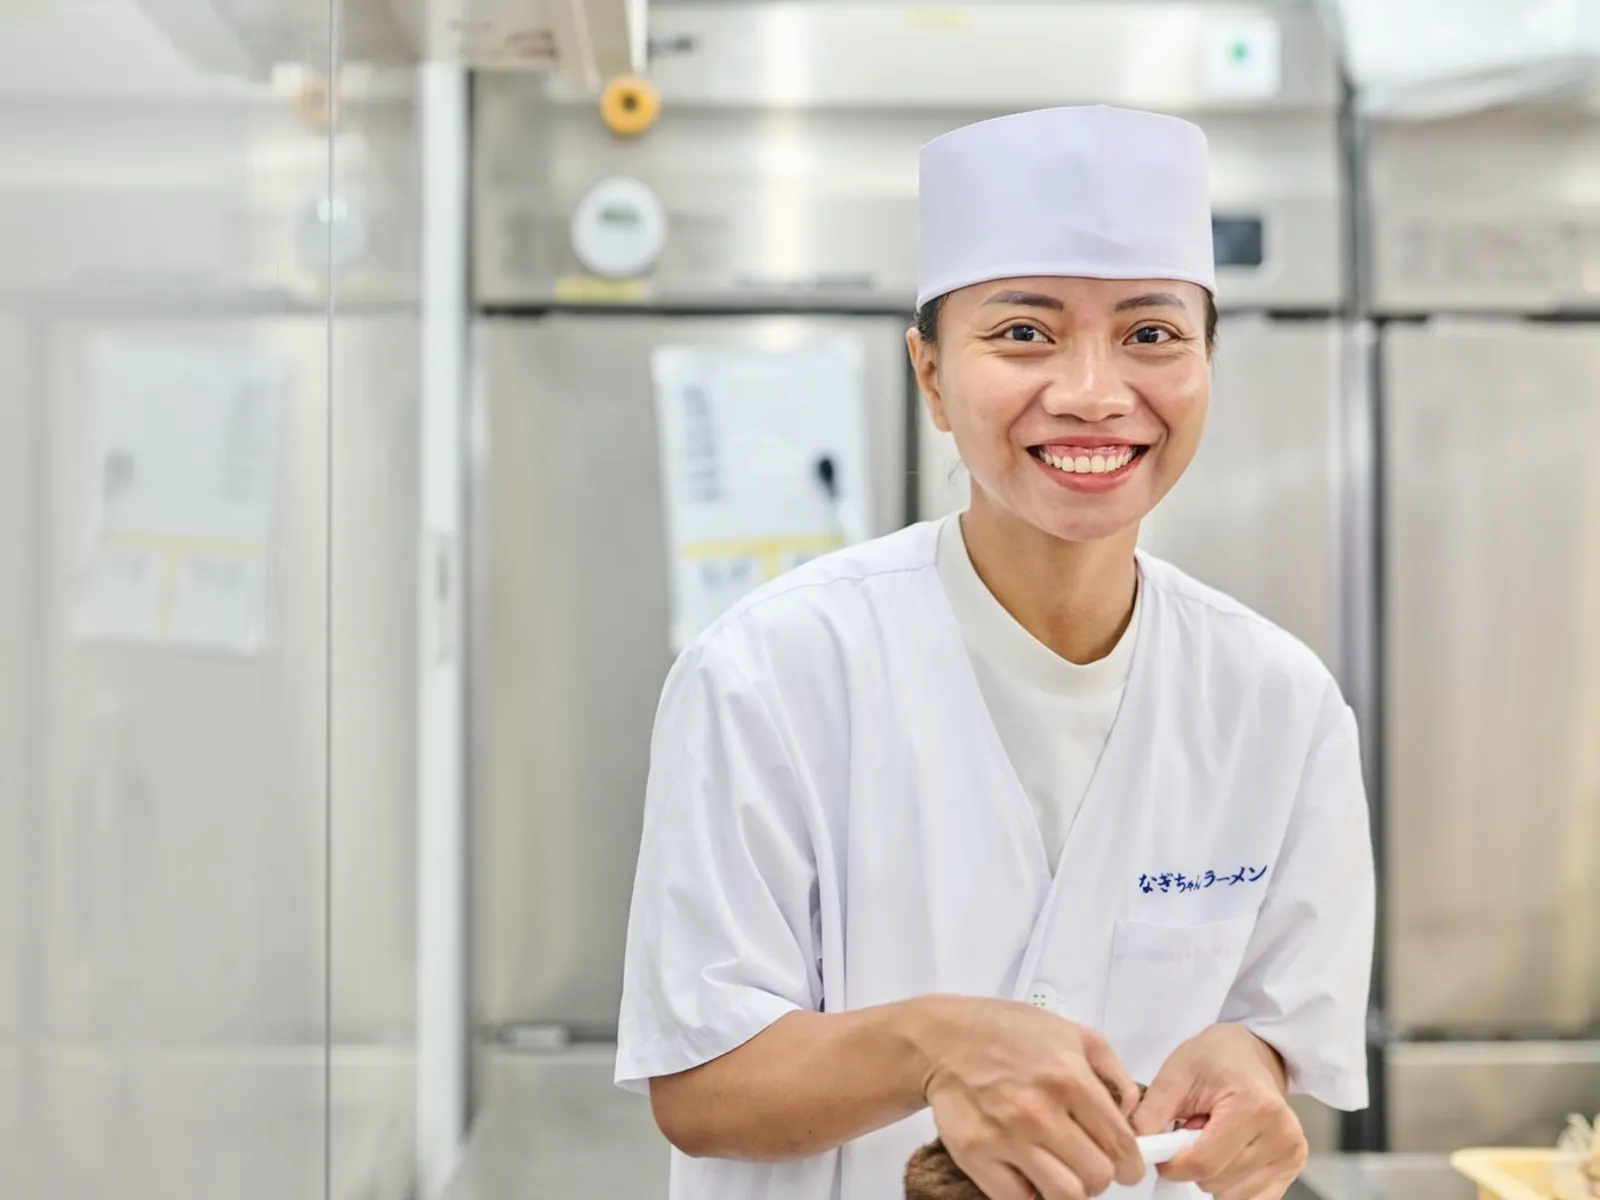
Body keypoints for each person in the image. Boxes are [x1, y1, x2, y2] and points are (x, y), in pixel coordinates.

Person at [615, 105, 1375, 1200]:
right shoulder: (770, 673)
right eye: (1023, 333)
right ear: (930, 375)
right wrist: (931, 1046)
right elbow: (699, 1090)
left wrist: (1249, 1069)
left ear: (1208, 360)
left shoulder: (1279, 705)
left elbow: (1270, 1033)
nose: (1094, 393)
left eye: (1151, 335)